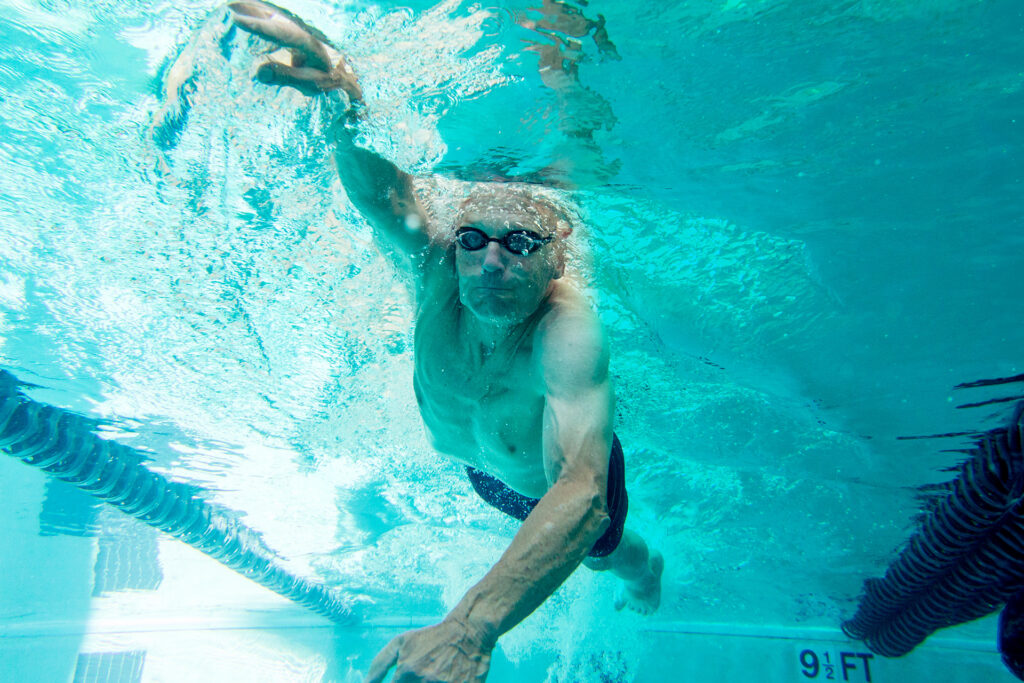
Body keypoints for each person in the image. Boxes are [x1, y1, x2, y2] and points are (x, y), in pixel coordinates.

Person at [226, 3, 663, 681]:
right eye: (473, 240)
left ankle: (647, 575)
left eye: (521, 243)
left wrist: (469, 625)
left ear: (556, 257)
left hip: (561, 492)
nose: (491, 262)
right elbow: (381, 195)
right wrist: (343, 101)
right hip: (489, 476)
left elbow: (583, 489)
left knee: (610, 554)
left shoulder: (565, 330)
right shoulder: (436, 271)